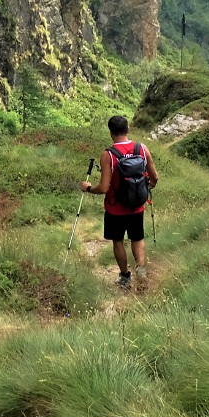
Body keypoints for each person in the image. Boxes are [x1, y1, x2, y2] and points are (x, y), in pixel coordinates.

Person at [81, 115, 159, 288]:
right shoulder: (142, 149)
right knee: (137, 238)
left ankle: (125, 277)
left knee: (118, 241)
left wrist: (88, 188)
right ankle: (142, 271)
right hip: (137, 207)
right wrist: (145, 189)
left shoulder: (108, 155)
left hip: (115, 209)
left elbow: (103, 188)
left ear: (110, 133)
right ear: (128, 129)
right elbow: (154, 178)